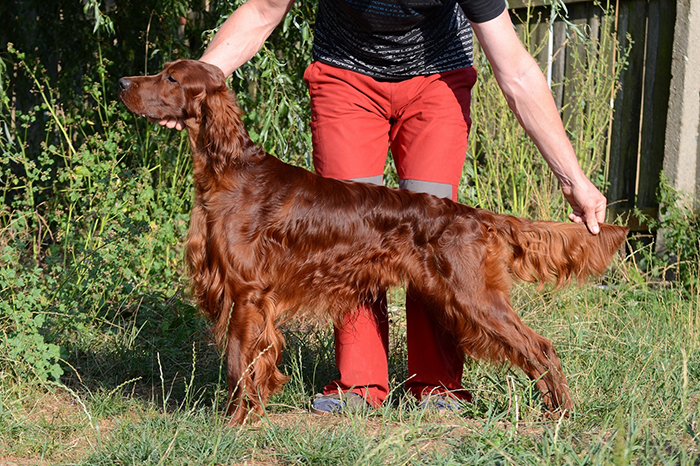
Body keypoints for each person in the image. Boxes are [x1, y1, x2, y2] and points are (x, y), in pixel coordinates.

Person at [160, 0, 608, 413]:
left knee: (438, 243)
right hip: (346, 78)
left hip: (437, 78)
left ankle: (438, 388)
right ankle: (359, 386)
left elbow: (517, 72)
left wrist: (573, 178)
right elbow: (261, 10)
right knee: (344, 237)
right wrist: (196, 85)